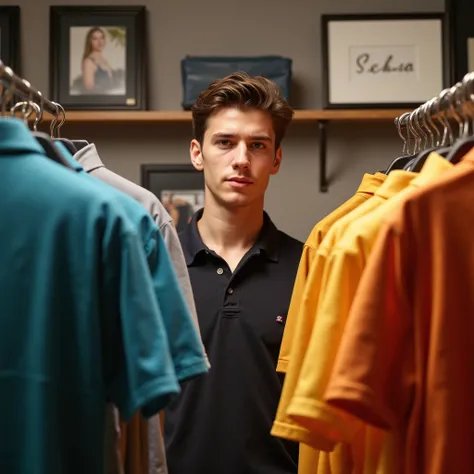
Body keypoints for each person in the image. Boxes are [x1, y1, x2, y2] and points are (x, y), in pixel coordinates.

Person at [164, 72, 302, 474]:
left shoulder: (312, 269)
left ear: (275, 158)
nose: (241, 158)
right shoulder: (154, 268)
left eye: (257, 145)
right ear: (197, 152)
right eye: (225, 142)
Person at [81, 27, 113, 92]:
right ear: (90, 42)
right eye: (95, 39)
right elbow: (89, 89)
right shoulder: (88, 61)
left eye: (102, 38)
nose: (100, 41)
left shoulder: (104, 60)